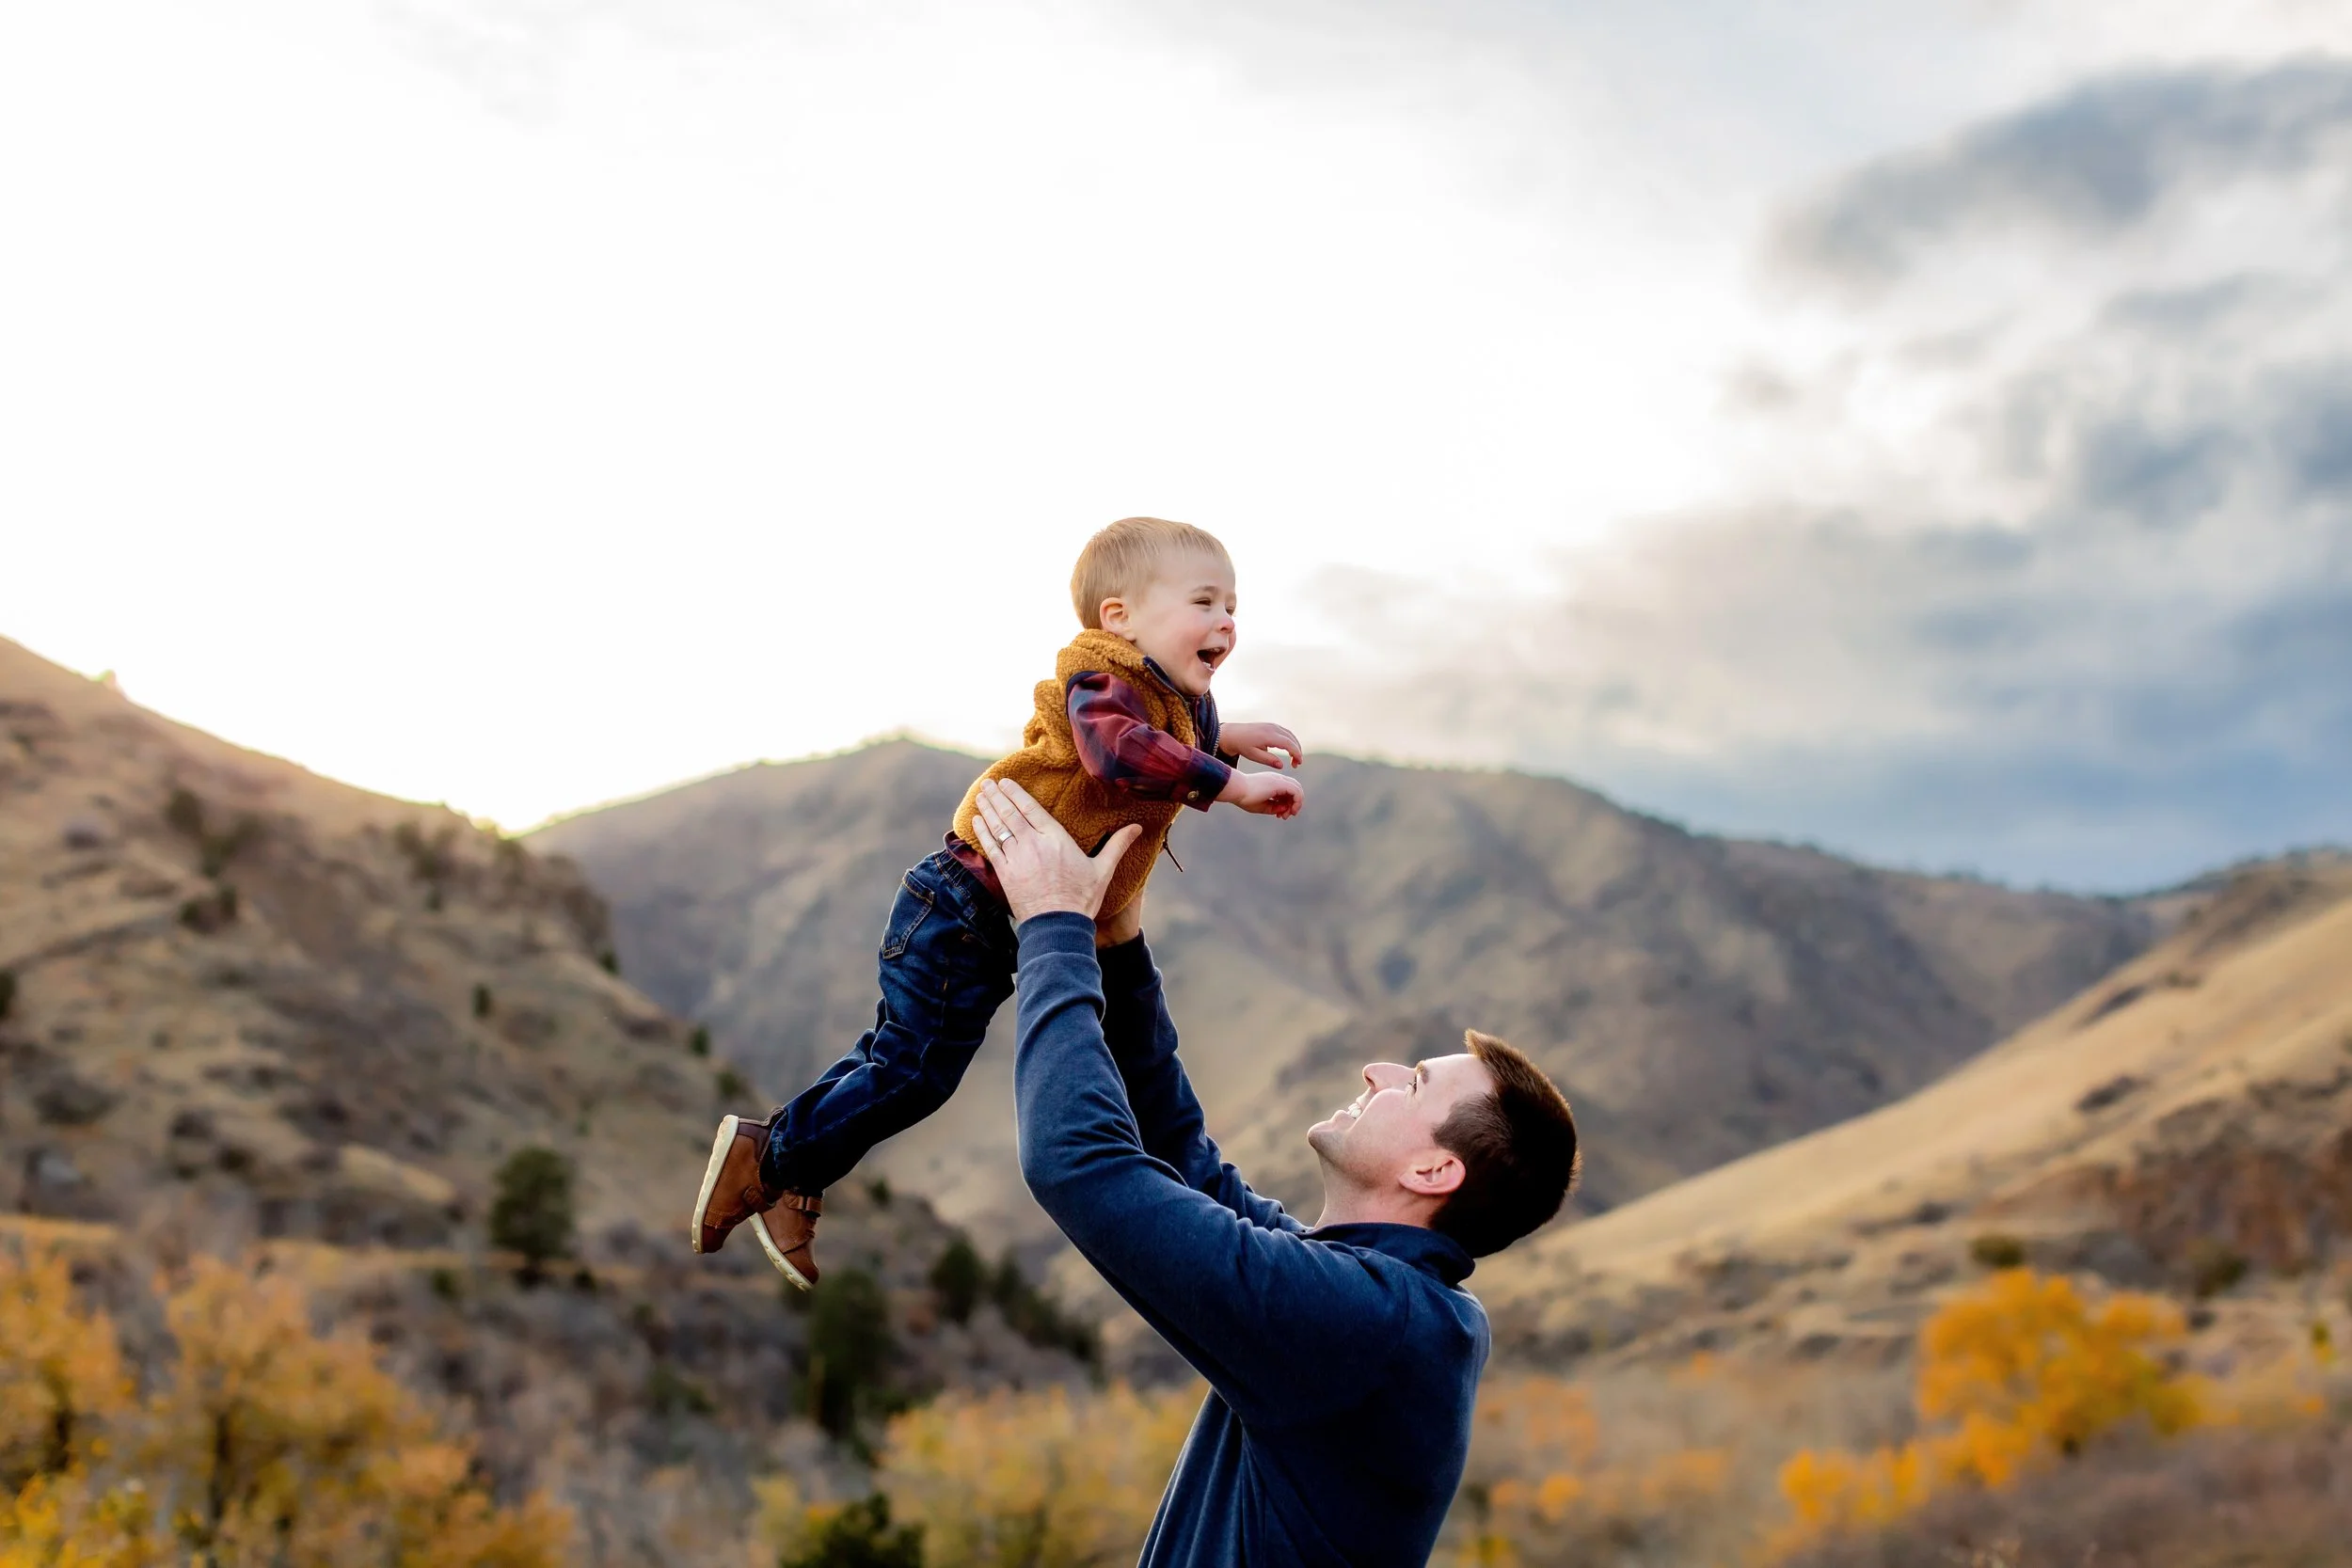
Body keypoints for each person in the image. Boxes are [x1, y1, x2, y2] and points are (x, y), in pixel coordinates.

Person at [970, 776, 1581, 1568]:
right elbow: (1183, 1158)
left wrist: (1052, 926)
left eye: (1416, 1083)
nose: (1377, 1070)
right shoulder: (1381, 1302)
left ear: (1435, 1168)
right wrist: (1116, 942)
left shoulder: (1364, 1323)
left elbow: (1077, 1164)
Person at [691, 517, 1307, 1286]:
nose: (1227, 622)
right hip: (963, 903)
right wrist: (1232, 783)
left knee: (896, 1055)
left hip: (988, 913)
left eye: (1234, 607)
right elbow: (1118, 750)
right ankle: (771, 1157)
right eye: (1205, 602)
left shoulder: (1166, 694)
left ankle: (791, 1171)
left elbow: (1170, 736)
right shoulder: (1102, 682)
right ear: (1118, 617)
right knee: (916, 1068)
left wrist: (1230, 737)